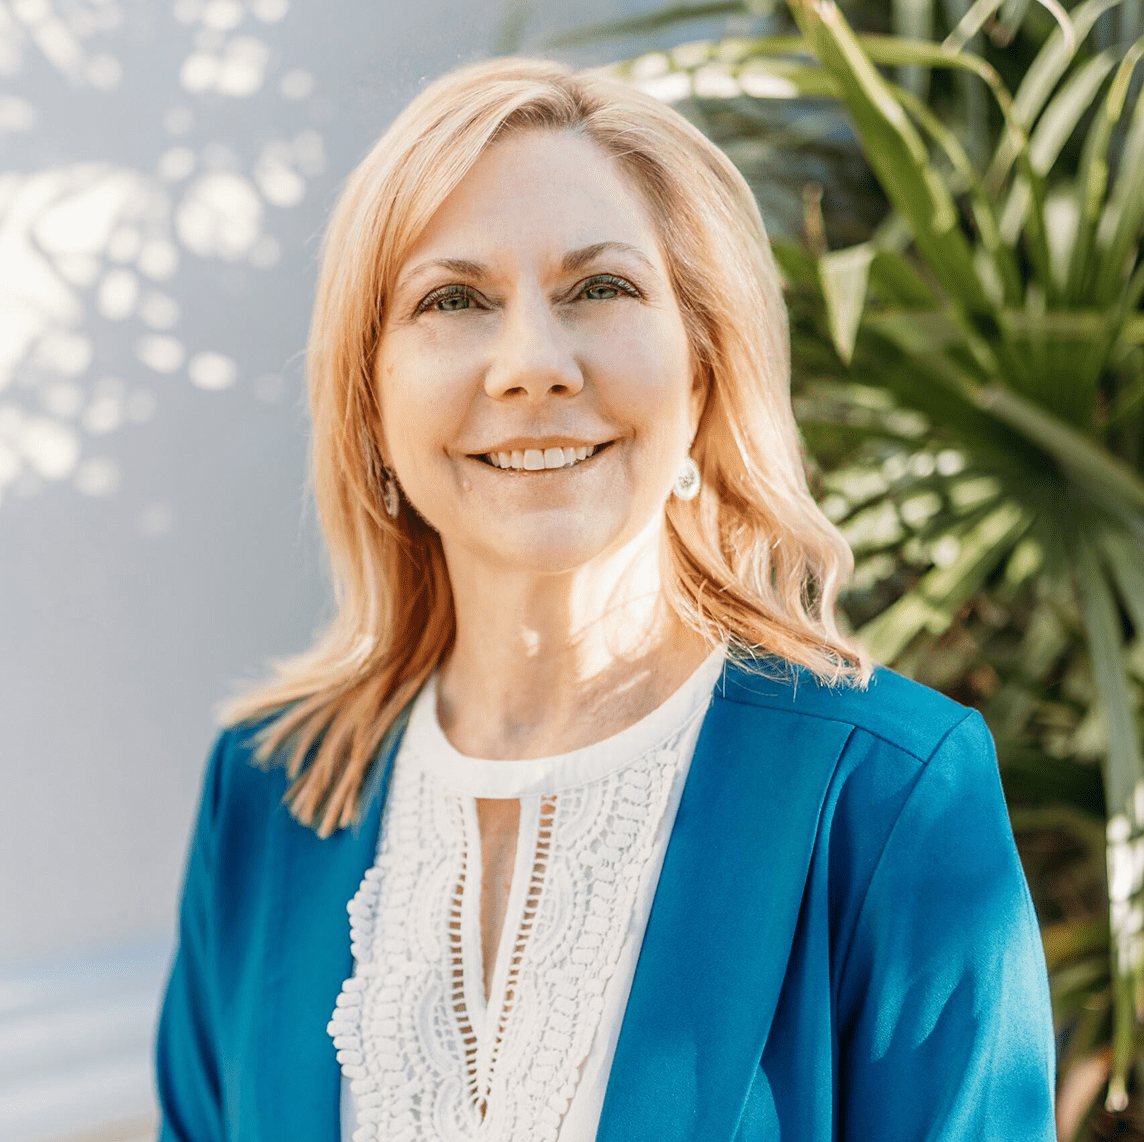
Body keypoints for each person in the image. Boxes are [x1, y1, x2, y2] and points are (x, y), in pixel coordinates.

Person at [154, 55, 1057, 1142]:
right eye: (453, 299)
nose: (531, 363)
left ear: (703, 371)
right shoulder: (266, 796)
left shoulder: (887, 794)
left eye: (601, 287)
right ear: (370, 399)